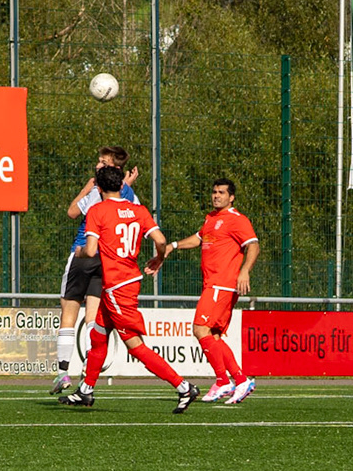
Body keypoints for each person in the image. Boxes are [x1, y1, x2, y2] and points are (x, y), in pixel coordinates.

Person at [62, 164, 201, 413]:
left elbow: (91, 250)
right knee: (98, 336)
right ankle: (86, 390)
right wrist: (159, 258)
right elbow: (161, 240)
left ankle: (184, 387)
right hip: (124, 282)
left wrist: (79, 252)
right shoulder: (138, 210)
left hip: (117, 286)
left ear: (99, 188)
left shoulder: (97, 210)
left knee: (135, 346)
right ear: (121, 185)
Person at [165, 177, 259, 405]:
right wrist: (173, 245)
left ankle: (223, 381)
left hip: (221, 284)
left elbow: (254, 245)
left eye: (221, 192)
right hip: (213, 284)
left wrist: (244, 271)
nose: (216, 196)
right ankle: (241, 380)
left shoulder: (236, 219)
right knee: (213, 336)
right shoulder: (211, 218)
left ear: (231, 197)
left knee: (200, 328)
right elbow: (198, 239)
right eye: (214, 192)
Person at [53, 146, 139, 394]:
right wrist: (127, 184)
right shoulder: (129, 194)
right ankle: (88, 366)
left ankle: (63, 373)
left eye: (102, 162)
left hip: (84, 252)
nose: (97, 165)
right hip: (107, 259)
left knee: (69, 312)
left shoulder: (97, 189)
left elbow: (72, 212)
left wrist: (86, 188)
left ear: (114, 168)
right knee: (93, 316)